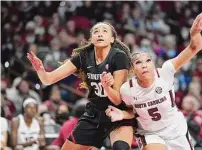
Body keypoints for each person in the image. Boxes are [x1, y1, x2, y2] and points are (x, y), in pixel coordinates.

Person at [106, 10, 202, 150]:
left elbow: (195, 47)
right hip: (150, 133)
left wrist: (195, 34)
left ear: (153, 63)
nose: (144, 65)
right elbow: (132, 112)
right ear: (133, 69)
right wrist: (122, 114)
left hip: (175, 129)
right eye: (138, 62)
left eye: (148, 60)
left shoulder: (165, 71)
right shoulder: (127, 89)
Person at [27, 22, 135, 150]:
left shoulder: (118, 56)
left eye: (104, 31)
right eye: (96, 31)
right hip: (94, 114)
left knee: (120, 148)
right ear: (91, 38)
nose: (100, 33)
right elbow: (48, 80)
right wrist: (40, 70)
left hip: (118, 112)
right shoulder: (83, 56)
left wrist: (106, 88)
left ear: (112, 39)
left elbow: (117, 99)